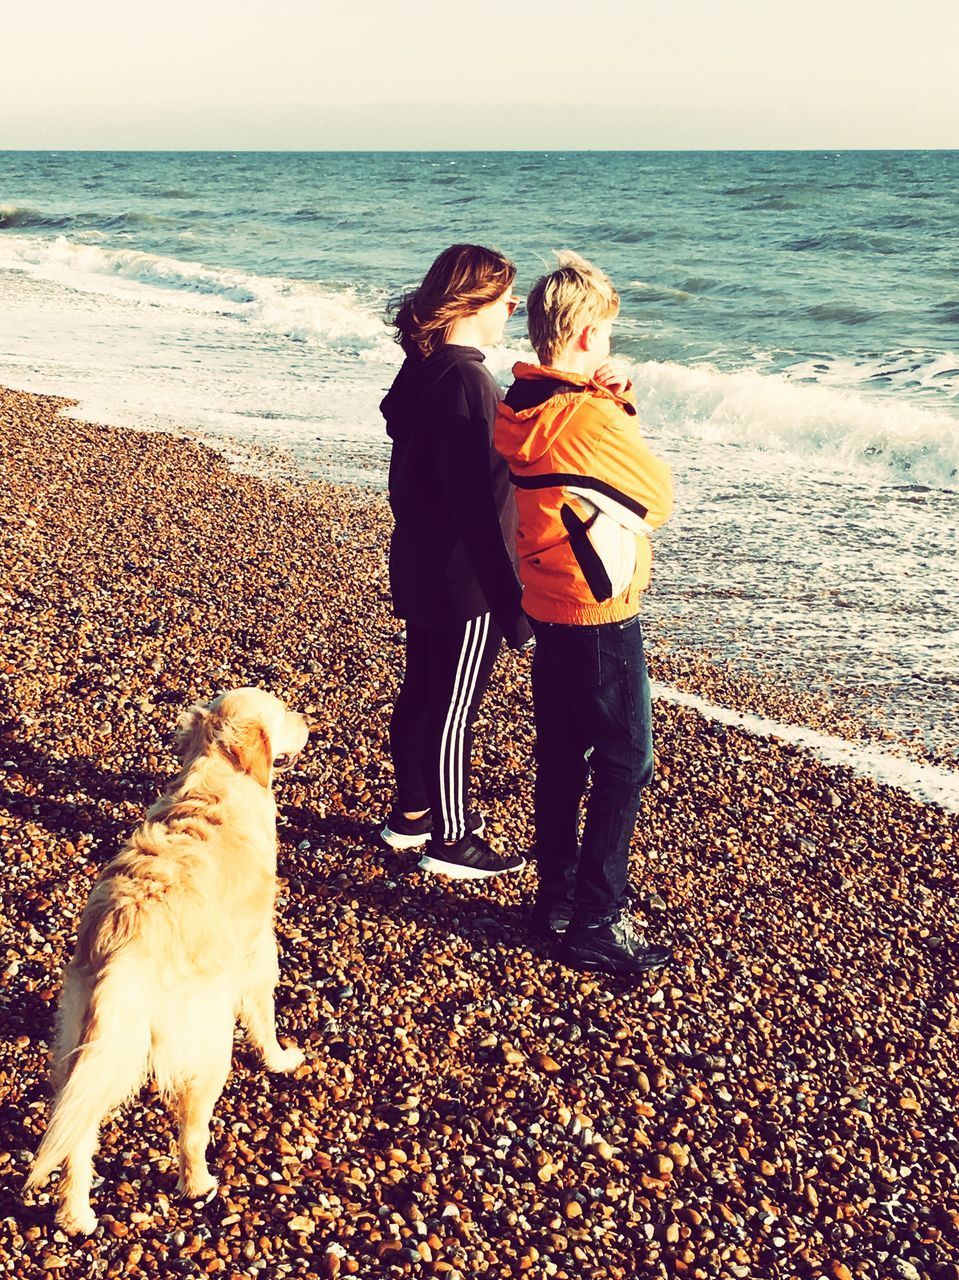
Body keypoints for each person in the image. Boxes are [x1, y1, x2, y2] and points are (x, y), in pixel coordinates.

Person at [494, 251, 674, 976]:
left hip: (546, 593)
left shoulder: (523, 402)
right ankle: (598, 918)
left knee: (563, 755)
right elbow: (654, 498)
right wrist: (616, 402)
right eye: (606, 330)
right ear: (586, 334)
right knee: (627, 760)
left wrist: (603, 396)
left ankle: (556, 898)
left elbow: (574, 456)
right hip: (599, 603)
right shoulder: (589, 415)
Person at [379, 244, 531, 879]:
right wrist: (512, 604)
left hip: (421, 561)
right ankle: (452, 837)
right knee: (452, 704)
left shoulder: (428, 371)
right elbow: (479, 509)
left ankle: (410, 816)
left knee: (424, 692)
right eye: (505, 300)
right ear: (472, 305)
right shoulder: (469, 380)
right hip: (463, 578)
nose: (513, 310)